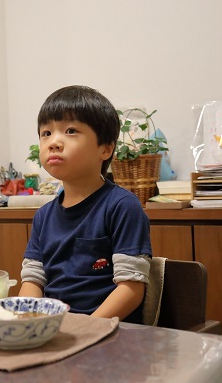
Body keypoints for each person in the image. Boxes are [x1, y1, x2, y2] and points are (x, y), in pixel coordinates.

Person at [18, 85, 152, 323]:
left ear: (106, 148)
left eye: (70, 130)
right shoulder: (43, 216)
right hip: (57, 330)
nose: (54, 142)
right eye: (46, 133)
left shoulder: (122, 206)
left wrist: (86, 328)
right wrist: (32, 321)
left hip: (109, 334)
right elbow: (33, 280)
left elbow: (131, 289)